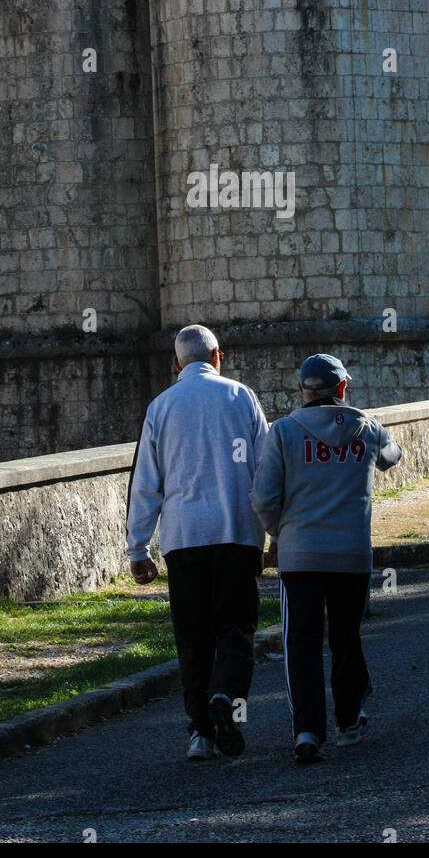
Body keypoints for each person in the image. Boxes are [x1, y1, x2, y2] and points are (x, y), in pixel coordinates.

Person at [126, 324, 269, 760]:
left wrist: (139, 547)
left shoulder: (160, 407)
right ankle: (226, 696)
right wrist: (278, 532)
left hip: (184, 538)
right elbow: (266, 473)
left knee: (192, 636)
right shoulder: (242, 397)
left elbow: (146, 484)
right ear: (218, 356)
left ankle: (200, 733)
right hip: (238, 534)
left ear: (176, 363)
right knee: (237, 630)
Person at [251, 353, 402, 762]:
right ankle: (349, 721)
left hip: (300, 555)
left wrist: (278, 530)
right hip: (351, 553)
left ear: (302, 390)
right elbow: (394, 456)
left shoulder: (282, 431)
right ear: (342, 388)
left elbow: (264, 496)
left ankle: (307, 731)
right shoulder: (367, 427)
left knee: (300, 642)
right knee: (346, 637)